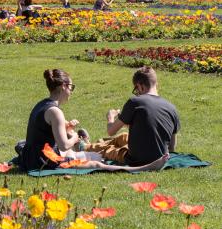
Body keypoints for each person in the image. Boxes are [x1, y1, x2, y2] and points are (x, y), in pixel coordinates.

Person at [18, 69, 168, 172]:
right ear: (64, 86)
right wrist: (75, 137)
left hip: (31, 157)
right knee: (97, 164)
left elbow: (44, 131)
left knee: (75, 153)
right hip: (43, 161)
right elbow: (63, 145)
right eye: (71, 87)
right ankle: (144, 168)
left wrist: (67, 129)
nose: (71, 92)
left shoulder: (42, 104)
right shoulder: (55, 111)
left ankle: (85, 146)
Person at [84, 66, 179, 166]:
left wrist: (110, 117)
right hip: (162, 158)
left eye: (136, 89)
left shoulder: (135, 102)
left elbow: (111, 131)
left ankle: (84, 147)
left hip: (136, 160)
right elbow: (172, 147)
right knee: (123, 137)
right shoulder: (172, 108)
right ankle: (90, 144)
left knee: (110, 150)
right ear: (156, 84)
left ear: (140, 86)